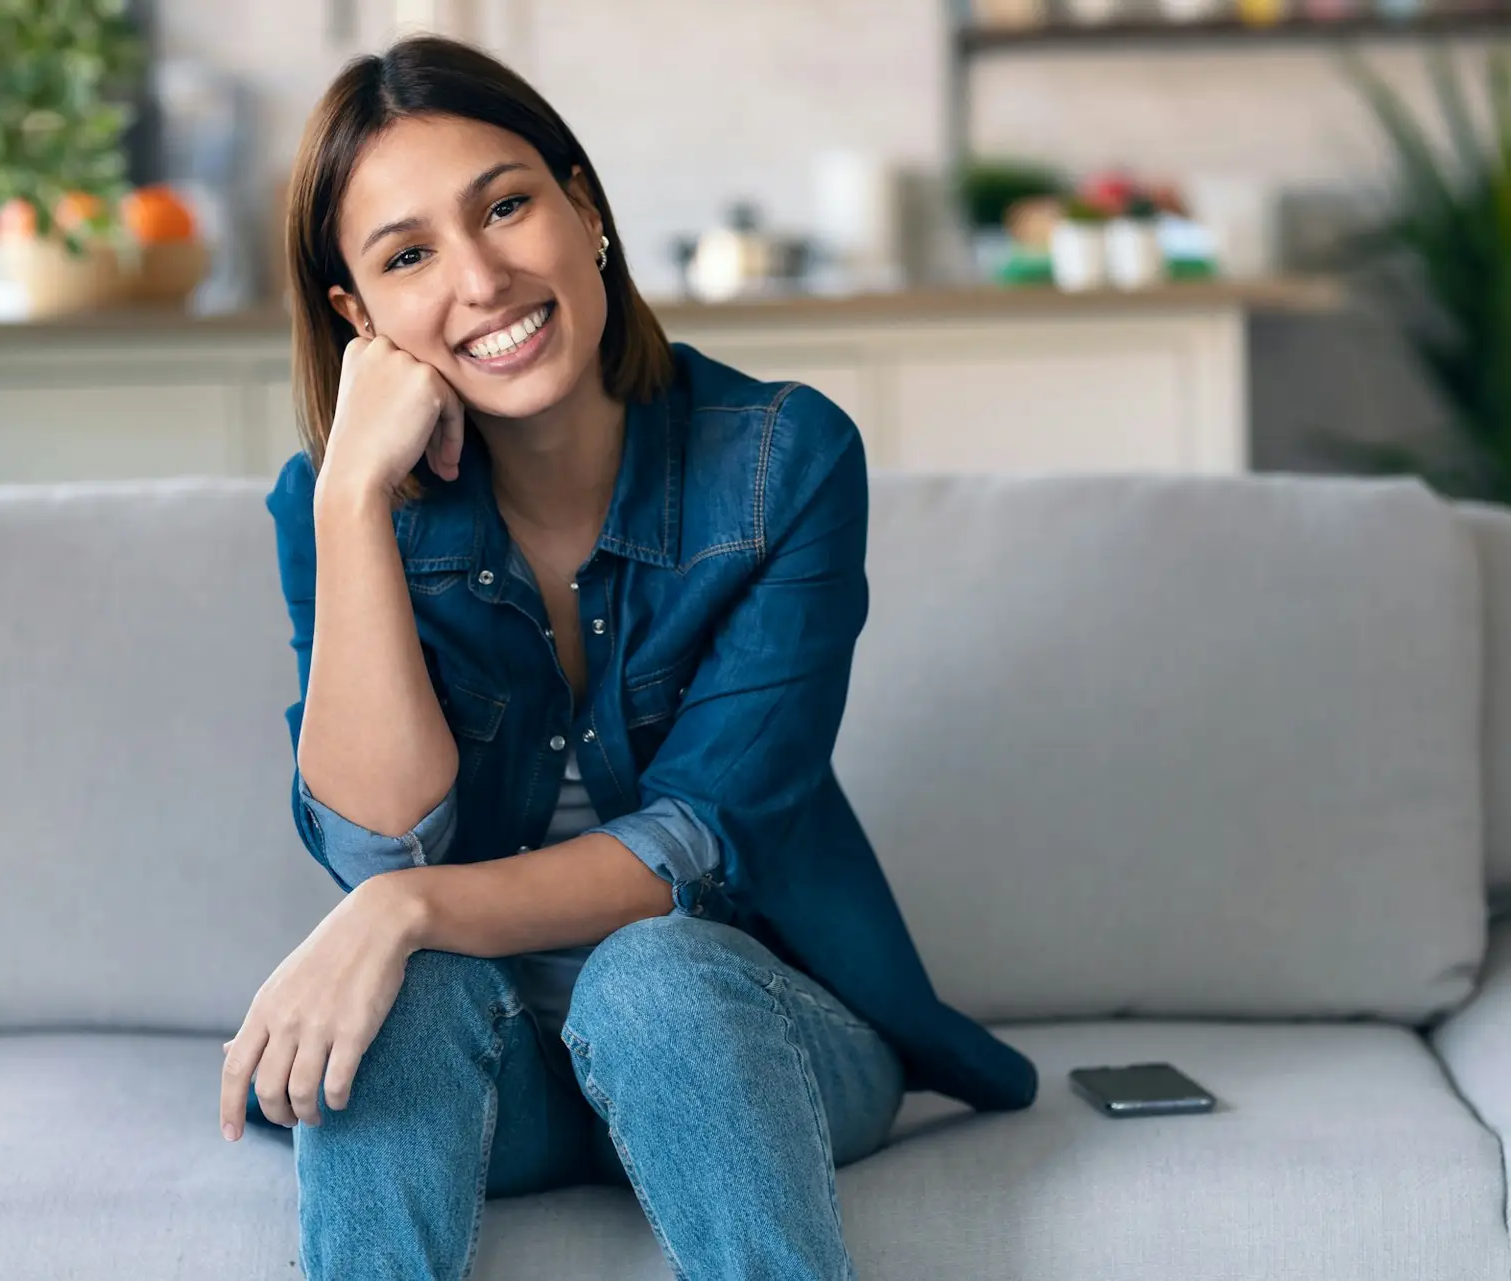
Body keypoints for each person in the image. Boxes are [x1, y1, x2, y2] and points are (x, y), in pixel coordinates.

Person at [220, 34, 1037, 1281]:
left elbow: (703, 838)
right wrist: (349, 509)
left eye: (506, 206)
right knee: (404, 1007)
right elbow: (382, 846)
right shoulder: (328, 506)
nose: (483, 277)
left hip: (751, 1035)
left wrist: (403, 908)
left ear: (583, 208)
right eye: (408, 257)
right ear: (358, 317)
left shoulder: (784, 462)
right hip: (508, 1074)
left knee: (651, 978)